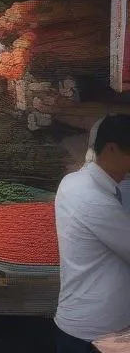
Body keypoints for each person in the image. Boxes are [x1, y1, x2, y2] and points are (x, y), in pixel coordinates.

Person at [54, 114, 130, 351]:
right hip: (96, 335)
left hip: (83, 321)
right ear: (111, 149)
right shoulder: (95, 200)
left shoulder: (73, 181)